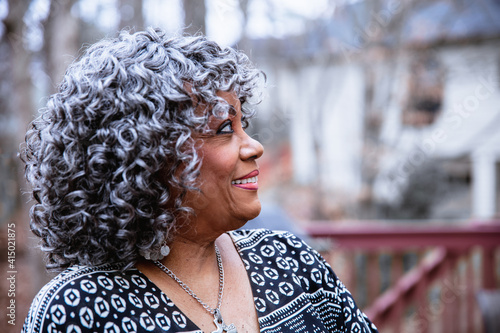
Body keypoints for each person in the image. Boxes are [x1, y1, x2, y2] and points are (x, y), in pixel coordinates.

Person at [21, 28, 378, 333]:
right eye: (225, 129)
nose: (254, 147)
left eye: (244, 126)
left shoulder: (293, 264)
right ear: (150, 157)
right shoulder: (77, 310)